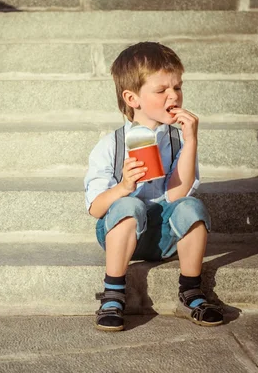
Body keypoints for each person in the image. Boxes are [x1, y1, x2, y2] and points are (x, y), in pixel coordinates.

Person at [83, 42, 224, 331]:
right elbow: (96, 208)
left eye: (178, 87)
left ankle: (190, 291)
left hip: (165, 237)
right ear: (132, 98)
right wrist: (124, 186)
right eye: (161, 91)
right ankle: (113, 293)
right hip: (120, 235)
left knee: (192, 206)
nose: (174, 96)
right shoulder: (112, 144)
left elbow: (176, 194)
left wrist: (192, 140)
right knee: (129, 204)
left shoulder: (177, 140)